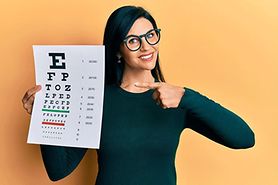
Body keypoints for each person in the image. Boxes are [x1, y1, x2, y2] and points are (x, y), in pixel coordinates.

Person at [22, 5, 255, 185]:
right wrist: (44, 114)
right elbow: (58, 170)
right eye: (133, 40)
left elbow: (244, 139)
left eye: (151, 36)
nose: (146, 47)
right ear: (117, 51)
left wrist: (187, 97)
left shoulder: (176, 100)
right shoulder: (95, 99)